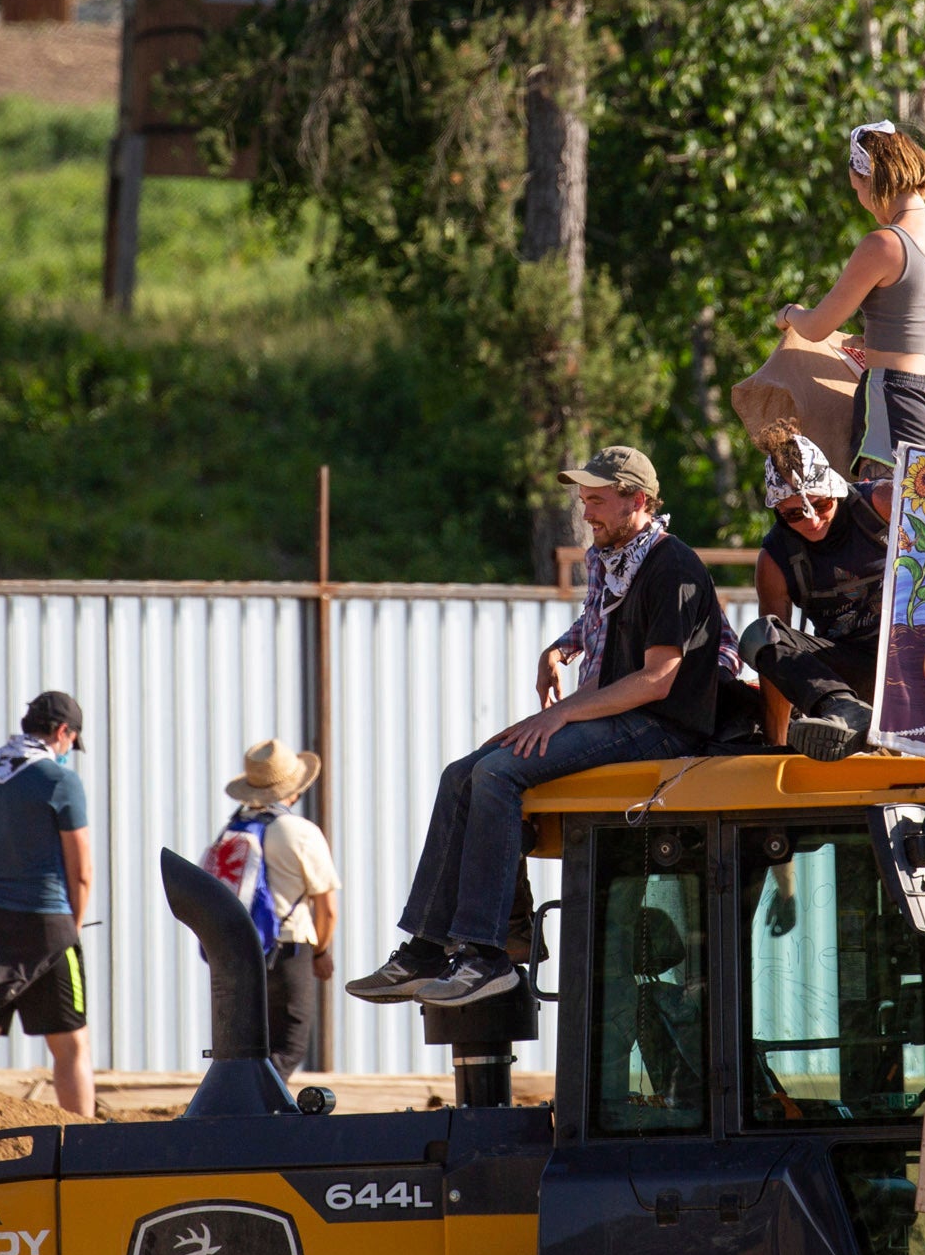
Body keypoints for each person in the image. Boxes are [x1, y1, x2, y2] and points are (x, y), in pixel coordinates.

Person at [350, 445, 732, 1010]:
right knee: (465, 772)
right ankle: (427, 948)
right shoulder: (614, 554)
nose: (588, 514)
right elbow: (601, 616)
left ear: (639, 501)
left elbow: (657, 681)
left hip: (664, 727)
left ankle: (488, 956)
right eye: (584, 502)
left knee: (500, 773)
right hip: (619, 713)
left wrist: (559, 712)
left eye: (598, 502)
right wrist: (561, 646)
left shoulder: (672, 564)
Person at [772, 121, 925, 477]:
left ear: (873, 179)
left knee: (886, 515)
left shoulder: (884, 244)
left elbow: (816, 328)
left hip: (895, 397)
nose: (860, 200)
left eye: (856, 188)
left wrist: (789, 313)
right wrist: (907, 330)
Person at [0, 690, 95, 1117]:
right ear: (63, 732)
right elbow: (80, 869)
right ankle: (85, 1140)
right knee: (72, 1047)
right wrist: (72, 930)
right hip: (47, 924)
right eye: (70, 742)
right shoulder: (60, 781)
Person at [738, 422, 895, 760]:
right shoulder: (775, 559)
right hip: (849, 676)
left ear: (834, 489)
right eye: (794, 513)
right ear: (778, 511)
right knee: (761, 636)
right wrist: (775, 749)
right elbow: (775, 669)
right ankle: (844, 711)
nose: (811, 521)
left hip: (909, 657)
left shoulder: (880, 504)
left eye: (821, 505)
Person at [203, 737, 340, 1079]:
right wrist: (321, 952)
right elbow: (328, 909)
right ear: (293, 788)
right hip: (290, 950)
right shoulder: (300, 832)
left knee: (246, 1047)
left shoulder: (230, 832)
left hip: (237, 954)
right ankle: (253, 1109)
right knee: (288, 1046)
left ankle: (241, 1101)